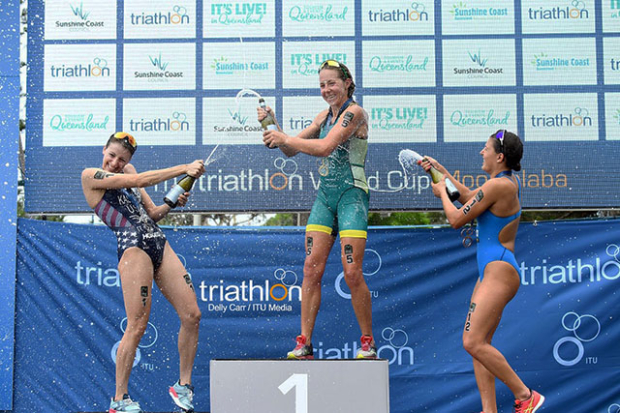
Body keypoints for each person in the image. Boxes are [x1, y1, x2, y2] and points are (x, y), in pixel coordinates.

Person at [258, 59, 376, 359]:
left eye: (331, 83)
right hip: (325, 197)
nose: (326, 89)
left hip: (352, 196)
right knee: (311, 269)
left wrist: (283, 136)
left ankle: (368, 342)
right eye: (322, 85)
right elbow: (290, 149)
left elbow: (325, 147)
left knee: (352, 272)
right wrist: (273, 125)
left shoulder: (355, 113)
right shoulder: (323, 116)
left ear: (347, 83)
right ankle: (305, 343)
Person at [421, 130, 545, 413]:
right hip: (492, 271)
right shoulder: (500, 184)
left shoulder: (499, 186)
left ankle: (526, 396)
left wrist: (441, 193)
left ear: (499, 157)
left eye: (486, 148)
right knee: (480, 344)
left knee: (472, 341)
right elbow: (468, 196)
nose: (481, 152)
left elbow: (456, 218)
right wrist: (441, 172)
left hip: (498, 270)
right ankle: (489, 410)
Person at [81, 132, 205, 413]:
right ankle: (119, 399)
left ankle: (183, 386)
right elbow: (139, 181)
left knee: (192, 315)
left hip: (157, 241)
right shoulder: (90, 176)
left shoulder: (130, 171)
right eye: (111, 156)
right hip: (133, 248)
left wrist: (172, 201)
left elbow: (153, 213)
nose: (115, 163)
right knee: (137, 326)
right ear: (103, 150)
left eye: (122, 159)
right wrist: (184, 168)